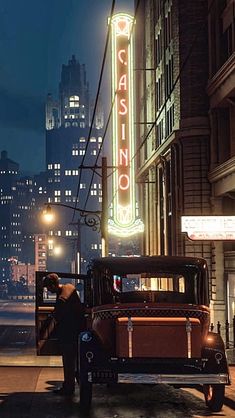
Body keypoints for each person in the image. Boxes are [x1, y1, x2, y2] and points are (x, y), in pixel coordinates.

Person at [43, 273, 84, 396]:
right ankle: (75, 385)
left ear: (53, 285)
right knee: (74, 361)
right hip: (74, 331)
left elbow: (59, 310)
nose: (48, 290)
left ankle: (70, 387)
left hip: (71, 333)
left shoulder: (64, 293)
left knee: (69, 361)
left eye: (48, 287)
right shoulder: (66, 289)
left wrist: (49, 323)